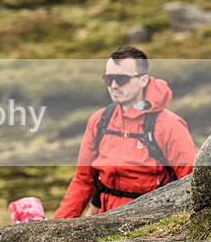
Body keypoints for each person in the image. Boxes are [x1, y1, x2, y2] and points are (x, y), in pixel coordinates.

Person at [53, 46, 196, 219]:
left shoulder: (169, 125)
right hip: (104, 222)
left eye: (121, 79)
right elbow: (83, 180)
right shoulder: (99, 121)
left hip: (152, 223)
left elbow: (191, 183)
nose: (113, 86)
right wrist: (56, 226)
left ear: (143, 80)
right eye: (108, 79)